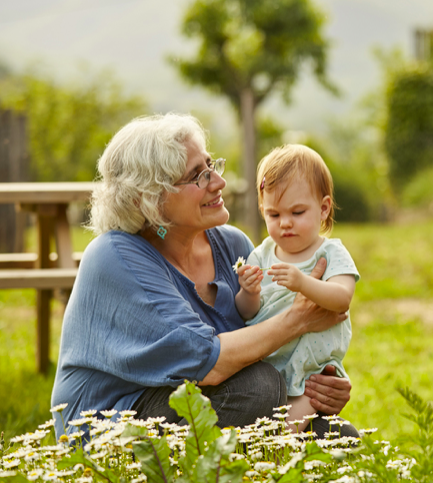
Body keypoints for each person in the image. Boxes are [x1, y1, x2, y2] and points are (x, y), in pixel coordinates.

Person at [51, 114, 356, 438]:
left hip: (208, 402)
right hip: (116, 424)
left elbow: (264, 334)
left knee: (339, 436)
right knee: (260, 388)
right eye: (198, 176)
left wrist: (321, 380)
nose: (219, 182)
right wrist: (300, 320)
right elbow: (205, 362)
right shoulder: (114, 257)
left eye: (212, 166)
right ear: (151, 199)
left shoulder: (232, 245)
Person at [235, 144, 358, 433]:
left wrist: (304, 282)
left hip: (312, 368)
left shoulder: (330, 253)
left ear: (323, 208)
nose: (286, 223)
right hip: (271, 361)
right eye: (274, 215)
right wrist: (249, 293)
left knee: (283, 432)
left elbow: (342, 299)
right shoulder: (261, 254)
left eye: (297, 212)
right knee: (264, 422)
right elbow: (245, 313)